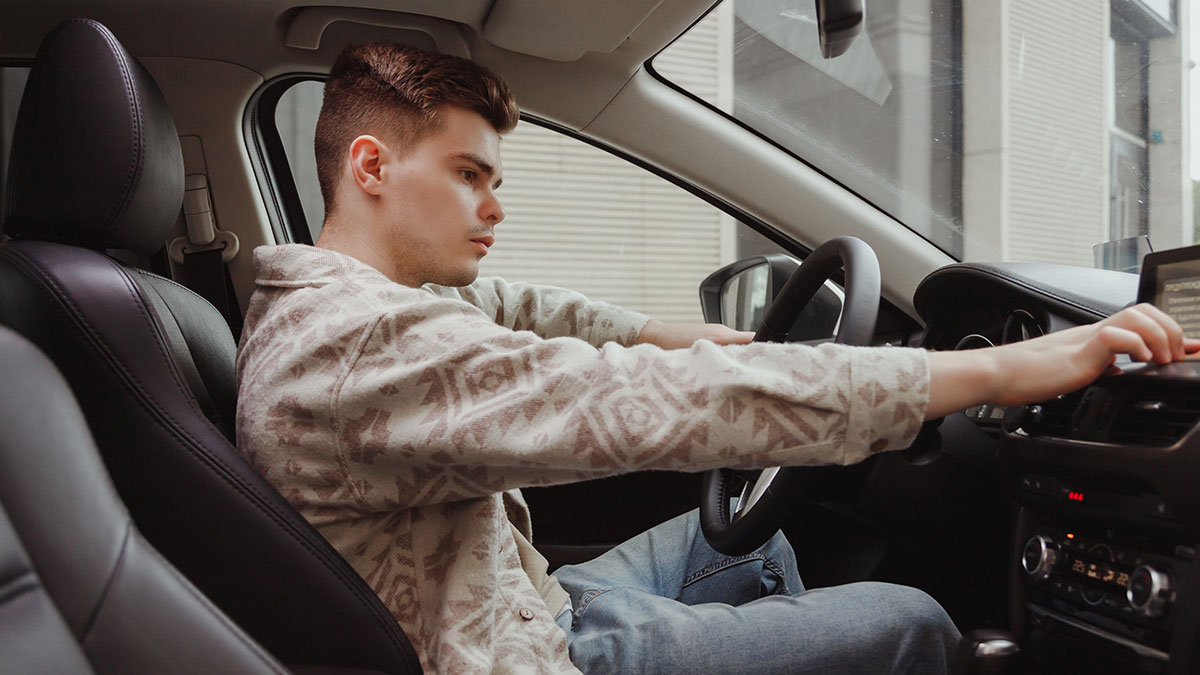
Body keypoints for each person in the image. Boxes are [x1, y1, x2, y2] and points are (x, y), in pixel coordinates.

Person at [235, 43, 1195, 674]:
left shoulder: (349, 299)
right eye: (469, 175)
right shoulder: (355, 344)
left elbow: (515, 307)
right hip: (526, 656)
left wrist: (662, 331)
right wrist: (1002, 372)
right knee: (912, 621)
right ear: (370, 166)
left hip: (521, 599)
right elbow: (650, 403)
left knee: (747, 537)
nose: (495, 206)